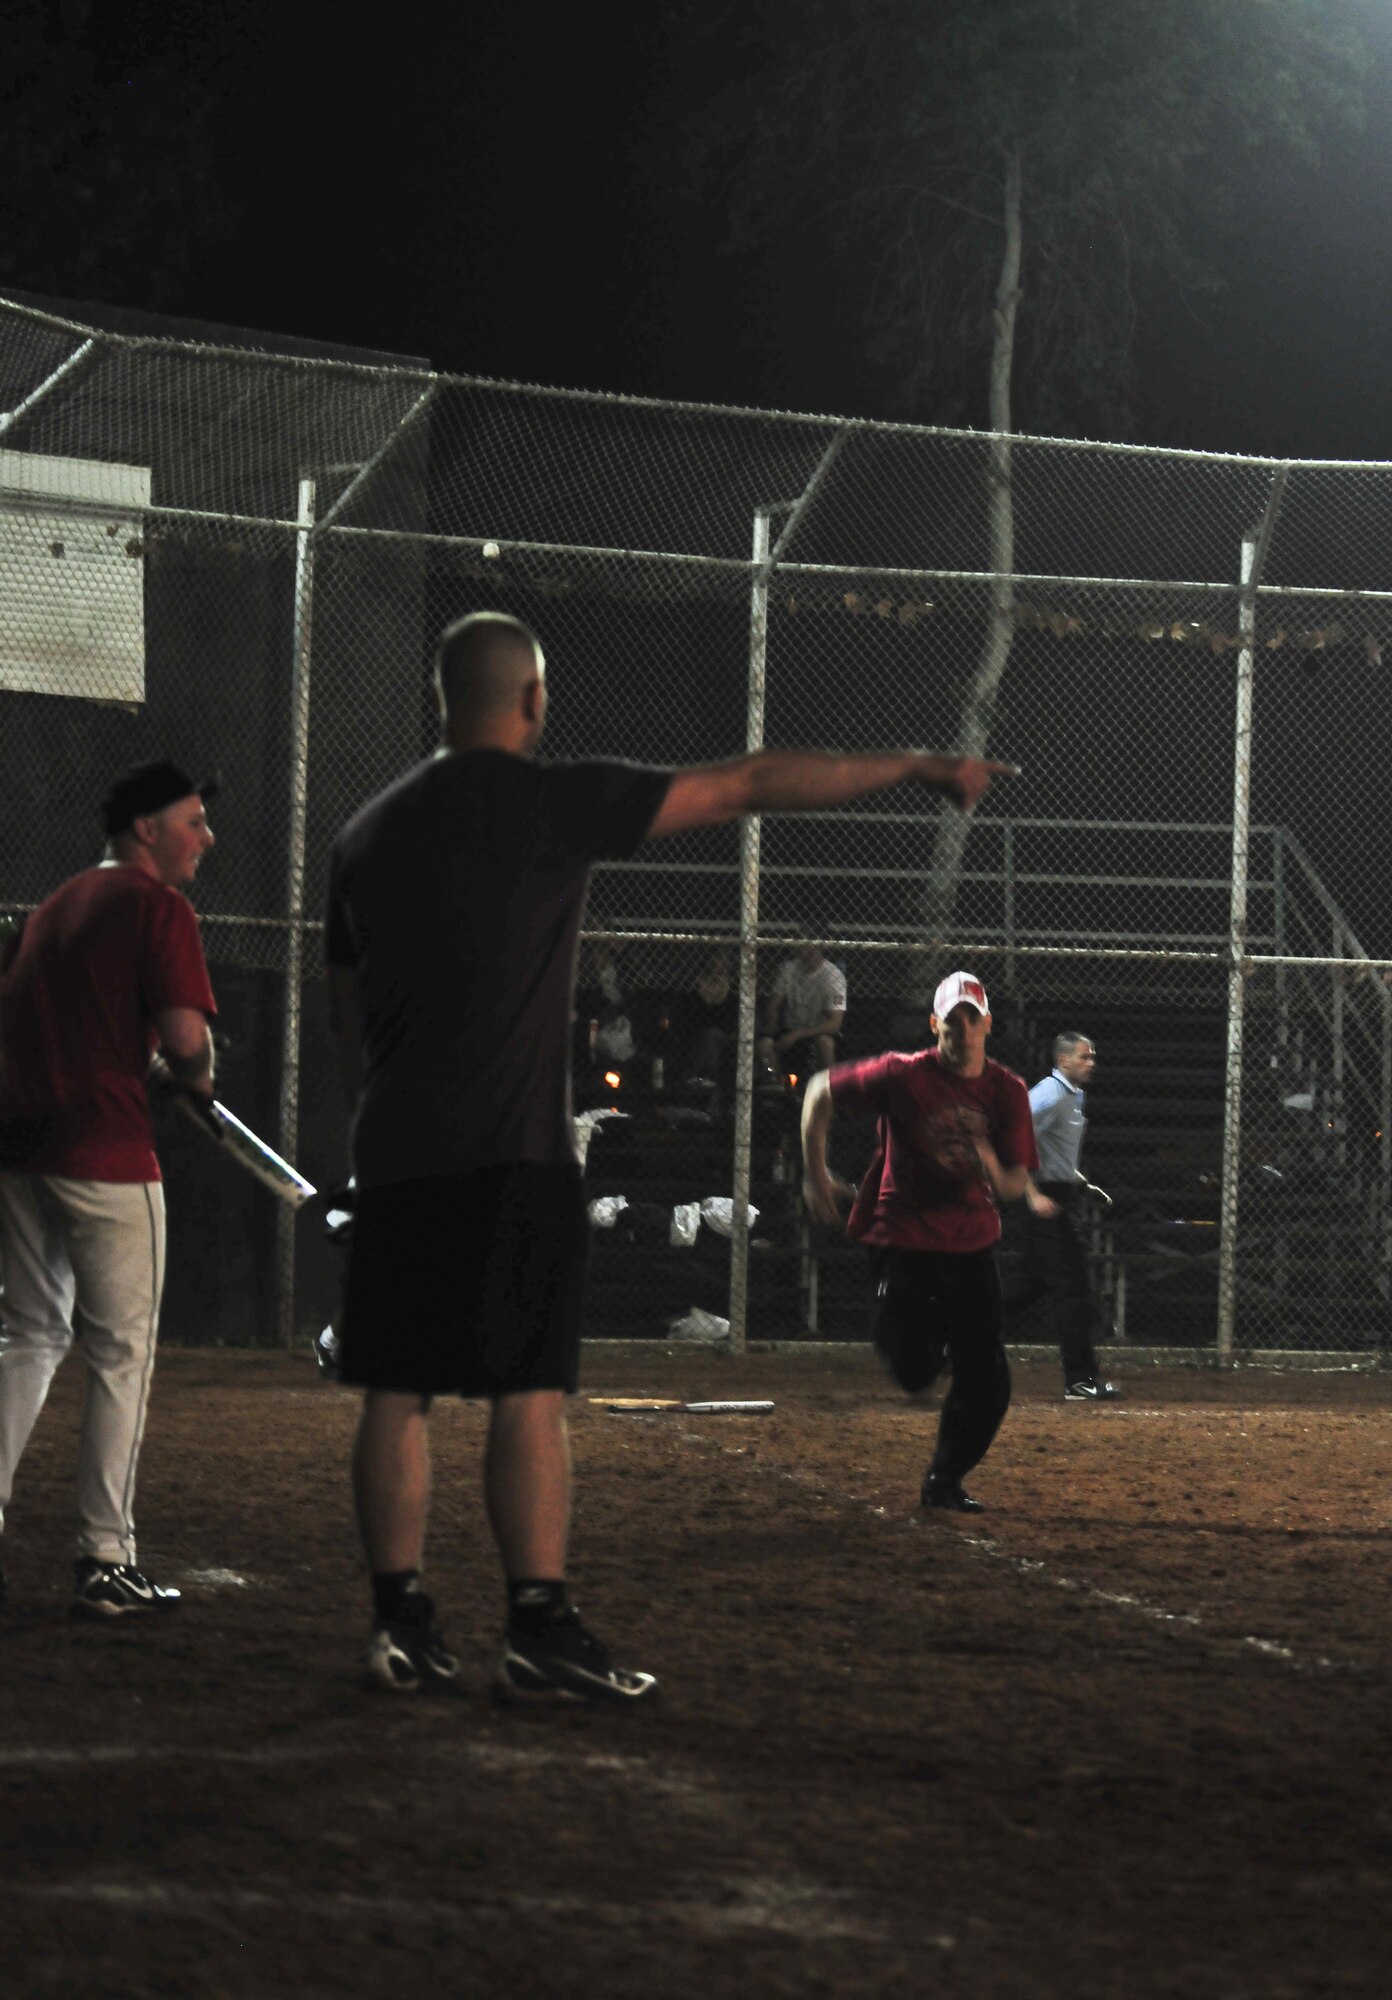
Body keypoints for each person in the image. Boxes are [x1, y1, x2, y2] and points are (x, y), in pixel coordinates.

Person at [325, 609, 1016, 1702]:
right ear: (535, 701)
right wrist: (919, 767)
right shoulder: (556, 799)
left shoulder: (362, 835)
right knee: (528, 1399)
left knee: (396, 1395)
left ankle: (397, 1619)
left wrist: (377, 1133)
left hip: (401, 1149)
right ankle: (537, 1623)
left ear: (437, 699)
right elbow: (748, 781)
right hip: (516, 1151)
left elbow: (349, 1025)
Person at [0, 762, 218, 1619]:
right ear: (145, 831)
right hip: (105, 1147)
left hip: (18, 1146)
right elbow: (187, 1039)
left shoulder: (54, 906)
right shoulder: (156, 906)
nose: (205, 837)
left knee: (27, 1335)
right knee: (122, 1353)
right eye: (192, 821)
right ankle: (104, 1557)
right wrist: (191, 1074)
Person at [800, 970, 1036, 1512]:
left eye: (970, 1020)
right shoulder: (902, 1075)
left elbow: (1015, 1186)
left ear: (987, 1025)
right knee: (914, 1372)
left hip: (969, 1241)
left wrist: (988, 1161)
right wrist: (816, 1174)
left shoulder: (1007, 1092)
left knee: (990, 1382)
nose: (961, 1031)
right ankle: (940, 1346)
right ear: (934, 1025)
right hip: (902, 1237)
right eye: (950, 1021)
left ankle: (945, 1478)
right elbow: (818, 1092)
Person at [1019, 1033, 1119, 1402]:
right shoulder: (1051, 1093)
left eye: (1092, 1057)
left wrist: (1082, 1183)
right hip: (1044, 1199)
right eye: (1083, 1057)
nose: (1091, 1063)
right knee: (1073, 1291)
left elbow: (1052, 1150)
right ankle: (1079, 1379)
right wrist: (1032, 1195)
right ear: (1063, 1061)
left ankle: (956, 1339)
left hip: (1058, 1194)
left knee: (1027, 1286)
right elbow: (1013, 1137)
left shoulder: (1073, 1095)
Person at [757, 938, 847, 1081]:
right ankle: (775, 1084)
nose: (809, 953)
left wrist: (796, 1035)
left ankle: (829, 1088)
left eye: (813, 949)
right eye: (805, 948)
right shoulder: (788, 969)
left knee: (826, 1043)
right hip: (789, 1028)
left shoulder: (833, 976)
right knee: (765, 1045)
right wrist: (773, 1025)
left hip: (816, 1031)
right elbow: (773, 1005)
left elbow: (835, 1023)